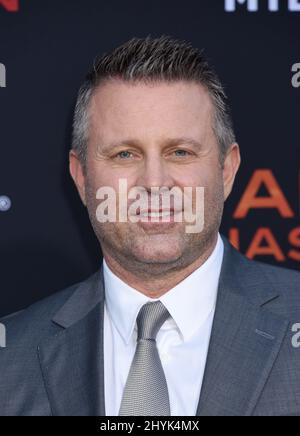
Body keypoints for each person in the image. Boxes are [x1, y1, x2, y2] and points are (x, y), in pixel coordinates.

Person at [1, 35, 300, 417]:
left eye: (180, 152)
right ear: (81, 177)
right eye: (125, 154)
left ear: (226, 170)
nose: (155, 182)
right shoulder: (9, 361)